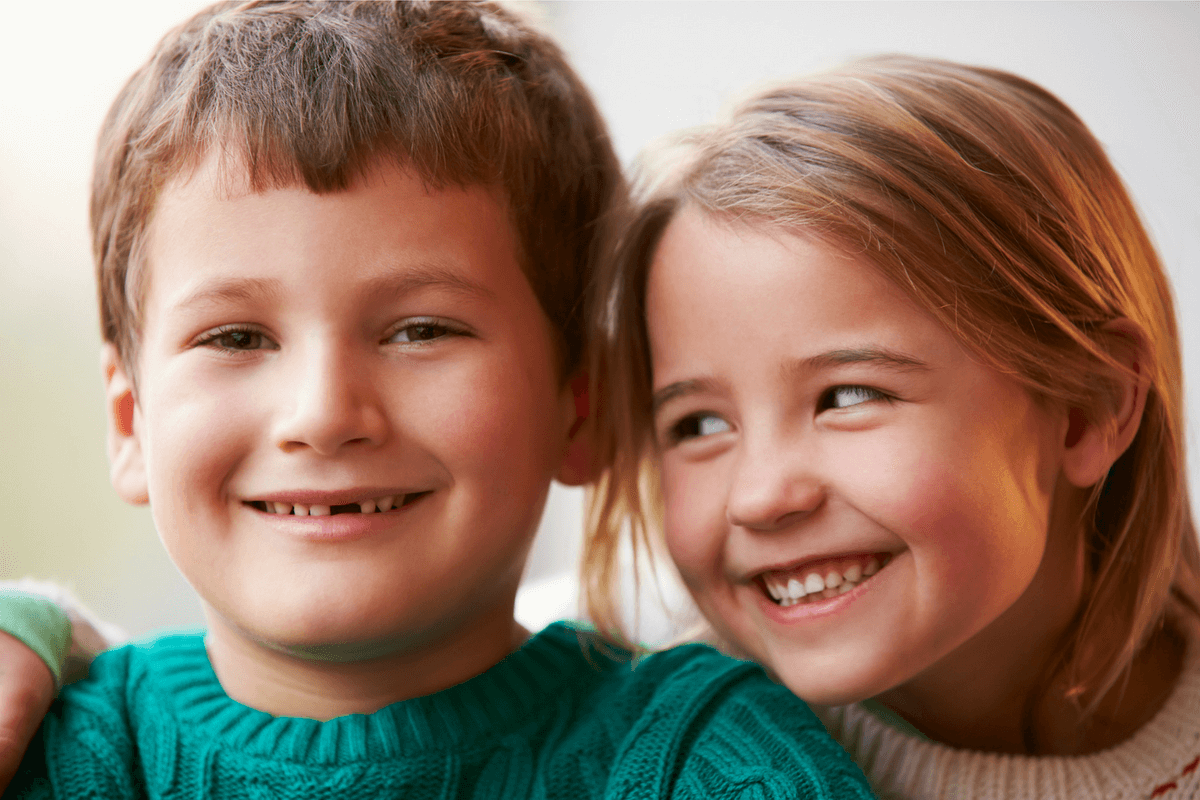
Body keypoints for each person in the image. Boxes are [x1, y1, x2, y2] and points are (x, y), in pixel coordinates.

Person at [0, 3, 877, 798]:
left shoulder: (705, 760)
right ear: (129, 421)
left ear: (582, 408)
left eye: (421, 331)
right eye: (236, 338)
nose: (323, 413)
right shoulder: (57, 753)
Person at [584, 55, 1200, 799]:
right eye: (700, 423)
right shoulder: (663, 762)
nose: (759, 497)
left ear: (1087, 409)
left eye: (846, 396)